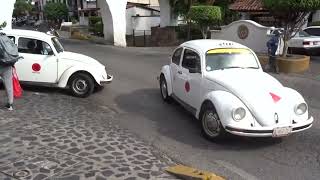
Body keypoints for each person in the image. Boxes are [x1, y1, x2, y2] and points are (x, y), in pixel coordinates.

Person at [0, 33, 14, 111]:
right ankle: (10, 104)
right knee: (9, 85)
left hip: (1, 63)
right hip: (7, 64)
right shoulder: (6, 38)